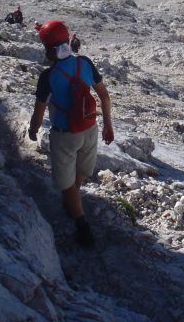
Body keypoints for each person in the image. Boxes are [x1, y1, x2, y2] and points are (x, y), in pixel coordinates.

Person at [28, 20, 114, 248]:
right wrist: (108, 125)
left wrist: (33, 129)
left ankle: (82, 225)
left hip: (65, 135)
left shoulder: (48, 76)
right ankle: (73, 202)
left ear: (49, 49)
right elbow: (104, 96)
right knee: (78, 175)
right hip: (90, 129)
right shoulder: (85, 63)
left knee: (66, 186)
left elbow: (39, 112)